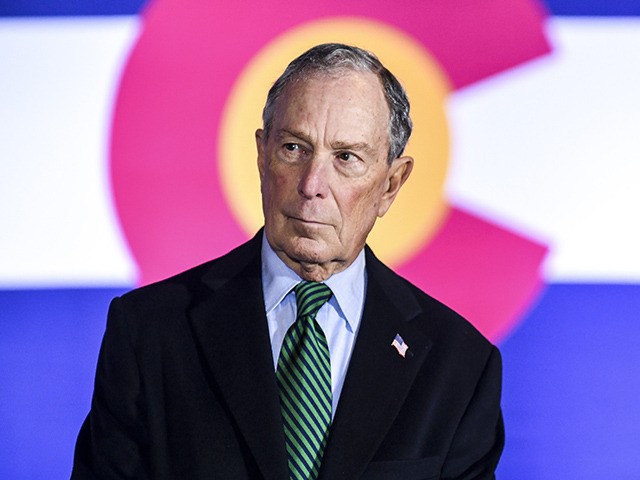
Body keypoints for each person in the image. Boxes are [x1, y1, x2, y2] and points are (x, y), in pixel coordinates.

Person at [72, 43, 504, 479]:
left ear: (391, 184)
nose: (312, 184)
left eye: (346, 157)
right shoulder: (149, 332)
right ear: (262, 156)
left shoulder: (459, 366)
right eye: (294, 148)